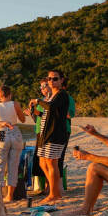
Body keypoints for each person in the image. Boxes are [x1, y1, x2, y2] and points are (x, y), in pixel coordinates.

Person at [31, 69, 72, 204]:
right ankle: (55, 190)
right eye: (49, 79)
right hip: (45, 134)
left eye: (55, 79)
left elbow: (51, 107)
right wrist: (35, 112)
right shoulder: (51, 96)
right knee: (43, 162)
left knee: (51, 163)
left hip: (55, 134)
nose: (51, 81)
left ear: (61, 80)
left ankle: (54, 194)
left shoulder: (62, 95)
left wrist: (37, 101)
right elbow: (47, 114)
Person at [0, 85, 27, 202]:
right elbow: (23, 119)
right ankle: (10, 196)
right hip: (15, 131)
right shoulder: (15, 104)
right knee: (13, 166)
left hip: (2, 133)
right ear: (10, 94)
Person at [27, 77, 51, 194]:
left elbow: (50, 116)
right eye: (40, 87)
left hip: (47, 132)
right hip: (39, 131)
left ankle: (50, 187)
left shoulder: (50, 100)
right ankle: (46, 187)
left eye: (44, 85)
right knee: (41, 161)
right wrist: (32, 112)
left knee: (48, 161)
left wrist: (37, 111)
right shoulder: (42, 100)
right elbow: (39, 118)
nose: (42, 89)